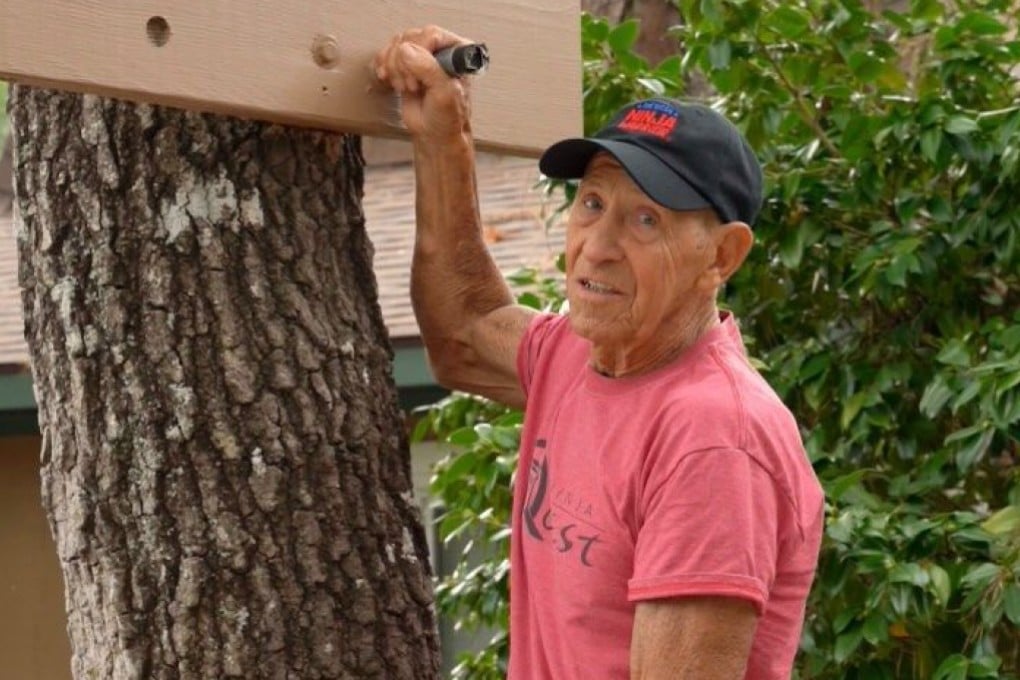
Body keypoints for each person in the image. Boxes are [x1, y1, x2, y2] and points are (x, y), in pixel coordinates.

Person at [374, 26, 824, 680]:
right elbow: (466, 331)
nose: (599, 245)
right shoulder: (578, 357)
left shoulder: (713, 439)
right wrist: (444, 137)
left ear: (721, 257)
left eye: (647, 220)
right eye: (592, 202)